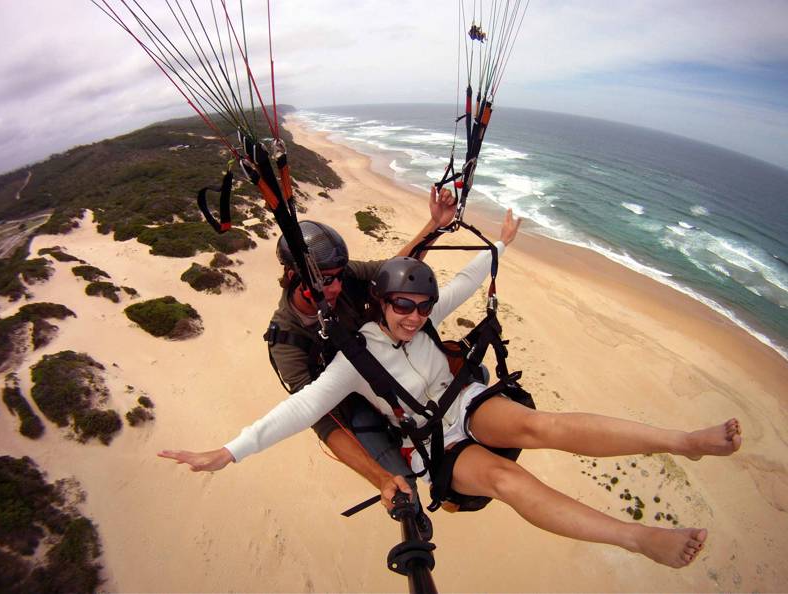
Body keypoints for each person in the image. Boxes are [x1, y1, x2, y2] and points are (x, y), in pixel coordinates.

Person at [160, 209, 742, 569]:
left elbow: (461, 279)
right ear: (381, 302)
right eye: (402, 306)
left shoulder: (406, 303)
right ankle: (640, 540)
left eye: (421, 307)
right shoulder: (351, 359)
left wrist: (501, 245)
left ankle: (684, 440)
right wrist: (230, 451)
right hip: (427, 441)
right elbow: (305, 410)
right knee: (511, 481)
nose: (414, 316)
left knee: (544, 426)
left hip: (463, 401)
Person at [263, 185, 457, 534]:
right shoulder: (287, 340)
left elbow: (396, 271)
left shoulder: (341, 275)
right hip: (353, 404)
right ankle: (411, 511)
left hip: (385, 362)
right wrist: (381, 477)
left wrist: (434, 225)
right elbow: (320, 418)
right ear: (294, 277)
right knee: (401, 484)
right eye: (325, 281)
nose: (336, 287)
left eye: (338, 277)